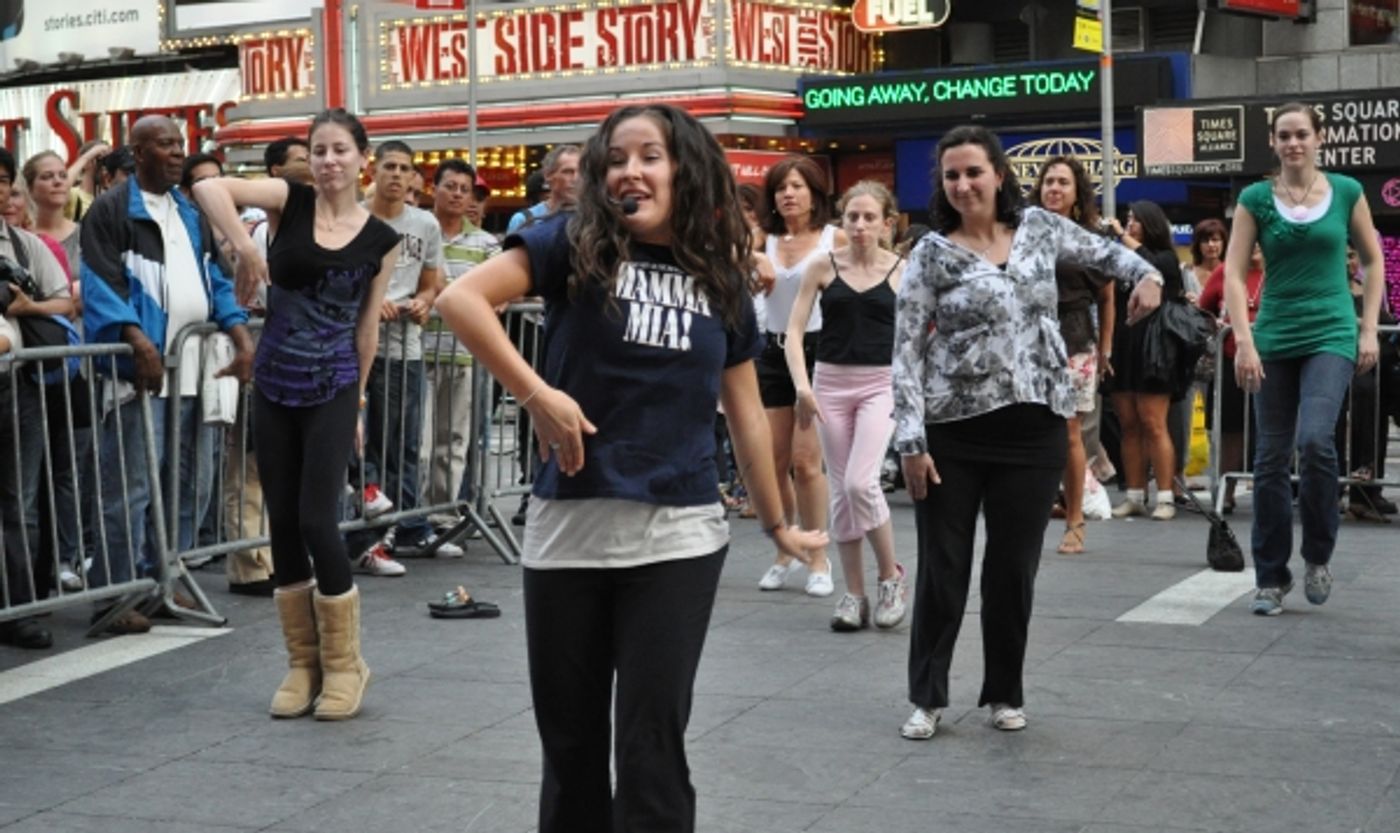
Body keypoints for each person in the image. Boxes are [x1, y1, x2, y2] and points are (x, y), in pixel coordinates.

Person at [435, 103, 828, 833]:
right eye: (616, 159)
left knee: (651, 751)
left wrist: (779, 523)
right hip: (566, 531)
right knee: (573, 749)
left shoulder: (720, 278)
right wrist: (537, 393)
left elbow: (743, 414)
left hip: (677, 536)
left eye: (649, 155)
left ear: (684, 169)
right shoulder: (568, 242)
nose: (630, 171)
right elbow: (462, 300)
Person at [894, 125, 1162, 740]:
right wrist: (910, 441)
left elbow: (1109, 254)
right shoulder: (932, 253)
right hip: (952, 431)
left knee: (1013, 570)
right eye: (951, 175)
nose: (963, 185)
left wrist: (1148, 274)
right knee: (945, 568)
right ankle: (927, 696)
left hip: (1036, 426)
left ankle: (1003, 692)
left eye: (973, 172)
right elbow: (905, 349)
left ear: (997, 176)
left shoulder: (1041, 228)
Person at [193, 108, 401, 719]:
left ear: (361, 156)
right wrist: (245, 250)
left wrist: (359, 397)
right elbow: (208, 185)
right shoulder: (292, 199)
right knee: (281, 520)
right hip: (274, 381)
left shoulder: (381, 240)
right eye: (319, 150)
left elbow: (368, 329)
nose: (329, 161)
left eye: (340, 150)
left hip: (334, 382)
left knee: (317, 520)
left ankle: (345, 663)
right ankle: (302, 664)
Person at [81, 116, 254, 634]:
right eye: (165, 144)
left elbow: (217, 279)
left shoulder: (190, 209)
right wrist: (137, 340)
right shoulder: (111, 209)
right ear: (137, 152)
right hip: (143, 377)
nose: (178, 152)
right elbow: (98, 286)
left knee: (189, 486)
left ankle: (163, 578)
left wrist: (240, 333)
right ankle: (117, 592)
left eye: (180, 143)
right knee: (131, 489)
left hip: (196, 369)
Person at [1224, 101, 1384, 616]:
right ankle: (1271, 577)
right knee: (1270, 458)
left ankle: (1318, 554)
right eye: (1284, 136)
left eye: (1302, 134)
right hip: (1273, 333)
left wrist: (1369, 329)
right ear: (1273, 142)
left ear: (1320, 138)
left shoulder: (1345, 192)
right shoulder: (1255, 198)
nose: (1293, 143)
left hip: (1332, 332)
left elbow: (1374, 258)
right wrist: (1245, 340)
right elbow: (1230, 272)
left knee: (1315, 439)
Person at [785, 180, 908, 631]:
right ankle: (853, 593)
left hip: (880, 383)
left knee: (860, 483)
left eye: (869, 217)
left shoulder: (901, 270)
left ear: (886, 223)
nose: (859, 226)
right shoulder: (822, 265)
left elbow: (917, 338)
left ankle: (890, 577)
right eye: (852, 217)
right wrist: (802, 385)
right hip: (830, 384)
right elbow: (795, 332)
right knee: (840, 492)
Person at [352, 140, 462, 572]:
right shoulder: (356, 218)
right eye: (389, 167)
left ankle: (408, 528)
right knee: (366, 446)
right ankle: (371, 538)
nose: (397, 175)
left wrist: (424, 300)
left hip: (407, 347)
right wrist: (370, 300)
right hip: (361, 346)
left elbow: (433, 282)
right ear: (373, 172)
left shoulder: (425, 224)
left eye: (405, 168)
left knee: (406, 442)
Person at [753, 155, 844, 595]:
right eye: (780, 188)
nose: (788, 194)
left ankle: (819, 557)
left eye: (797, 186)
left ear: (815, 193)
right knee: (772, 464)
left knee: (808, 463)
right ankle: (787, 546)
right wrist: (751, 262)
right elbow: (727, 255)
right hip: (771, 352)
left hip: (818, 352)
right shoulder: (762, 238)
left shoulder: (833, 237)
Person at [1030, 156, 1115, 553]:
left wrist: (1105, 349)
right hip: (1031, 341)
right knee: (1030, 428)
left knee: (1069, 432)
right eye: (1049, 181)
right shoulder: (1024, 233)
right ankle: (1038, 505)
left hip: (1076, 340)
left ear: (1077, 192)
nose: (1054, 189)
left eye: (1063, 182)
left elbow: (1107, 296)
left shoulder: (1089, 238)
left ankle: (1076, 517)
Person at [22, 149, 93, 594]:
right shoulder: (25, 240)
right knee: (31, 476)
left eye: (59, 175)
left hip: (74, 361)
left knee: (70, 468)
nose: (56, 182)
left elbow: (83, 298)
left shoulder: (84, 236)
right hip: (31, 364)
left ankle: (70, 553)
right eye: (45, 177)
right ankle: (34, 567)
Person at [423, 158, 501, 514]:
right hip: (417, 352)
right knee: (418, 443)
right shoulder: (419, 231)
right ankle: (409, 519)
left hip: (465, 354)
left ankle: (441, 515)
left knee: (453, 441)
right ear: (433, 189)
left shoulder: (486, 244)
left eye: (463, 189)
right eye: (449, 186)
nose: (456, 194)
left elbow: (501, 291)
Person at [1104, 200, 1186, 521]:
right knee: (1128, 424)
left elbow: (1151, 264)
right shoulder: (1120, 259)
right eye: (1128, 220)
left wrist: (1122, 236)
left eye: (1136, 220)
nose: (1129, 224)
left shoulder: (1164, 258)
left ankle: (1165, 496)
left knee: (1153, 422)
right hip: (1125, 344)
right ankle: (1135, 494)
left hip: (1155, 347)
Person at [1198, 243, 1264, 513]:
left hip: (1273, 359)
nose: (1256, 246)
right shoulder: (1226, 271)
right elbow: (1203, 310)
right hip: (1230, 360)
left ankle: (1268, 492)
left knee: (1270, 427)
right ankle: (1227, 490)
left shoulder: (1279, 271)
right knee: (1230, 429)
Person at [506, 145, 580, 233]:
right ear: (548, 175)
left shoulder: (594, 217)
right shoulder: (524, 220)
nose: (576, 178)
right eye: (567, 172)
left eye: (582, 172)